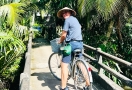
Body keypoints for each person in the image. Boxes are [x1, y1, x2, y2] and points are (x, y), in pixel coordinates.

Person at [57, 7, 90, 90]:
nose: (64, 14)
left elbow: (64, 35)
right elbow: (79, 27)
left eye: (66, 12)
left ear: (70, 13)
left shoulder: (67, 20)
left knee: (64, 65)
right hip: (79, 43)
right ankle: (88, 84)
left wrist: (60, 41)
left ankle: (64, 87)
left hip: (70, 45)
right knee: (81, 63)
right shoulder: (75, 19)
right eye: (63, 13)